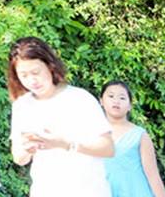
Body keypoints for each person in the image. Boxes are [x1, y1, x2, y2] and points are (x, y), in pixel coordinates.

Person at [8, 36, 114, 197]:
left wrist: (66, 144)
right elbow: (19, 158)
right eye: (23, 75)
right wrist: (26, 149)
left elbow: (108, 148)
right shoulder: (22, 105)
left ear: (50, 67)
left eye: (36, 72)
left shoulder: (80, 99)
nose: (32, 80)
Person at [99, 80, 165, 197]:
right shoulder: (92, 132)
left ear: (130, 105)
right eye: (111, 96)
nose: (116, 101)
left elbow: (152, 175)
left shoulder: (140, 136)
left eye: (122, 98)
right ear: (101, 101)